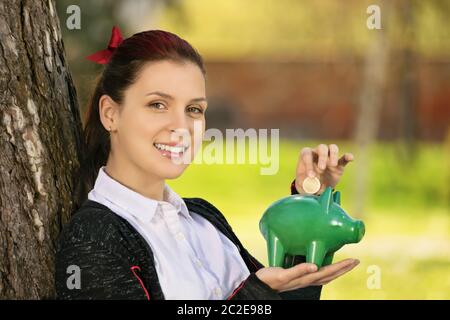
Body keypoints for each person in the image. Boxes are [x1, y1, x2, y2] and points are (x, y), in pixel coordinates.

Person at [55, 27, 359, 300]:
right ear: (110, 113)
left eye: (194, 109)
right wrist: (257, 293)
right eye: (158, 105)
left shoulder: (204, 217)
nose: (181, 126)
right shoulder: (94, 237)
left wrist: (311, 210)